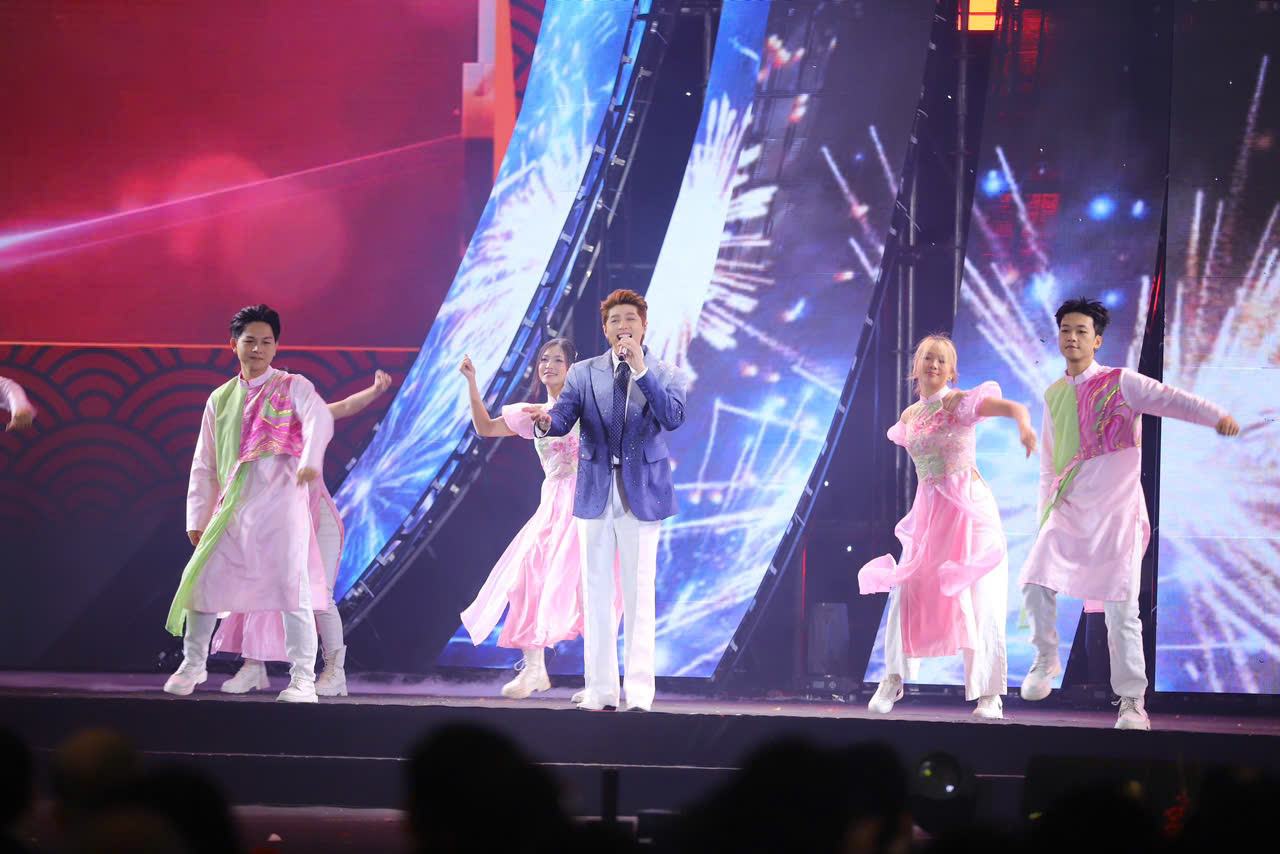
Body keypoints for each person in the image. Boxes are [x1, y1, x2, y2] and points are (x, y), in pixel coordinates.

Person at [1019, 297, 1239, 730]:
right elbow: (1048, 462)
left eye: (1081, 331)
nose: (1071, 337)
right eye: (1065, 329)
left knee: (1121, 612)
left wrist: (1215, 416)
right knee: (1034, 581)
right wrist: (1044, 515)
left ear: (1097, 340)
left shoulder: (1121, 382)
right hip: (1069, 508)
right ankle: (1046, 658)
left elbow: (1172, 400)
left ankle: (1132, 702)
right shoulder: (1054, 394)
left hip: (1117, 512)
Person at [163, 304, 334, 703]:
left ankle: (302, 680)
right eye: (250, 341)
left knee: (293, 594)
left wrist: (310, 460)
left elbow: (319, 419)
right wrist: (197, 517)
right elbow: (205, 463)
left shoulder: (293, 386)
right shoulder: (220, 398)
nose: (258, 349)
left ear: (276, 347)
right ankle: (193, 664)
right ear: (234, 345)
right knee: (202, 583)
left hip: (281, 510)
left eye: (266, 342)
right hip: (233, 510)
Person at [859, 334, 1036, 720]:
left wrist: (1023, 423)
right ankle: (893, 678)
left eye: (942, 360)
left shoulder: (959, 403)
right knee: (908, 592)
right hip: (930, 514)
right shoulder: (909, 416)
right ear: (916, 366)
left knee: (982, 598)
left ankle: (990, 694)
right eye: (928, 358)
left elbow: (1012, 407)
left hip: (970, 509)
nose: (934, 365)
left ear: (952, 371)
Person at [527, 289, 687, 712]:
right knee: (595, 593)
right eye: (615, 320)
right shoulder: (583, 373)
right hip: (595, 488)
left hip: (643, 493)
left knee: (638, 595)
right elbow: (563, 417)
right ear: (605, 328)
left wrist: (641, 371)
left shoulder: (666, 372)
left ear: (644, 325)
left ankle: (639, 694)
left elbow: (672, 417)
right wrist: (545, 422)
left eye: (630, 319)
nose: (622, 326)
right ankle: (599, 690)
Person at [210, 370, 394, 698]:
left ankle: (334, 672)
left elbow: (346, 406)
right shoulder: (252, 435)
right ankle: (253, 667)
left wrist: (375, 391)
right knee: (259, 588)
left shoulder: (308, 419)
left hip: (318, 520)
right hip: (279, 524)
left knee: (319, 596)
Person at [459, 339, 622, 700]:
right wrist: (471, 382)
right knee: (524, 582)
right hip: (552, 507)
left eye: (557, 360)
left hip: (588, 504)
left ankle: (600, 681)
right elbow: (485, 428)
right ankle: (534, 670)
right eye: (544, 359)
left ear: (572, 367)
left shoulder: (589, 406)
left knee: (587, 593)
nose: (548, 365)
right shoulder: (532, 413)